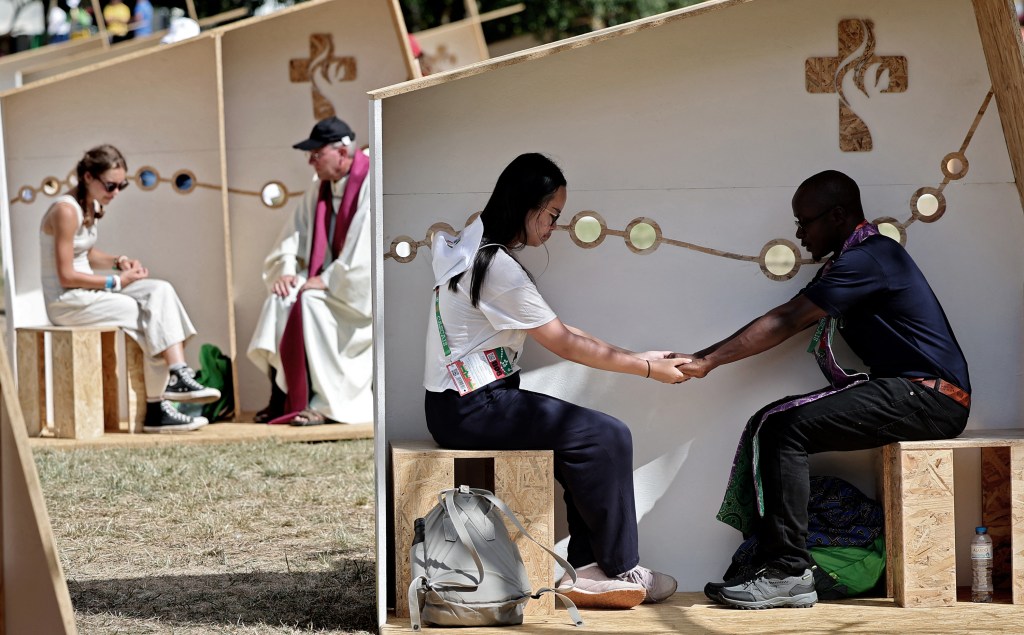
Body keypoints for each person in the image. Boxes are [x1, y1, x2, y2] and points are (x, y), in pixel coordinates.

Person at [679, 170, 970, 610]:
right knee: (773, 421)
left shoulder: (870, 258)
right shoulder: (853, 261)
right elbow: (789, 314)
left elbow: (787, 320)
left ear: (837, 215)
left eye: (804, 222)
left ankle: (790, 573)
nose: (799, 235)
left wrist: (705, 363)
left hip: (933, 397)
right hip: (912, 391)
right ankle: (778, 562)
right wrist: (699, 356)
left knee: (785, 428)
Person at [423, 153, 686, 609]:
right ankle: (621, 567)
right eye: (552, 215)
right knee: (607, 436)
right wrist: (645, 370)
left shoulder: (475, 247)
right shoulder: (495, 266)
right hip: (472, 407)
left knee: (583, 443)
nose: (552, 228)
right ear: (526, 206)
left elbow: (557, 328)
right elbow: (563, 343)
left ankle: (590, 570)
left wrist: (636, 354)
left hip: (465, 402)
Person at [40, 144, 221, 433]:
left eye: (121, 185)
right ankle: (157, 407)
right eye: (110, 185)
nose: (116, 192)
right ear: (88, 177)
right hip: (68, 301)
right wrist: (115, 282)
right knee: (146, 314)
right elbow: (66, 274)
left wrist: (118, 261)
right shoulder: (65, 210)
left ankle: (177, 374)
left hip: (90, 294)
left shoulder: (91, 204)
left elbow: (84, 253)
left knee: (159, 291)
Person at [247, 116, 372, 426]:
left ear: (342, 153)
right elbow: (293, 236)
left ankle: (325, 405)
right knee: (281, 297)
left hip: (354, 294)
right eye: (310, 155)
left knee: (310, 304)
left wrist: (327, 281)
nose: (311, 162)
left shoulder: (371, 182)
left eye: (317, 155)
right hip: (326, 282)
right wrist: (288, 271)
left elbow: (364, 254)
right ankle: (281, 395)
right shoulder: (320, 189)